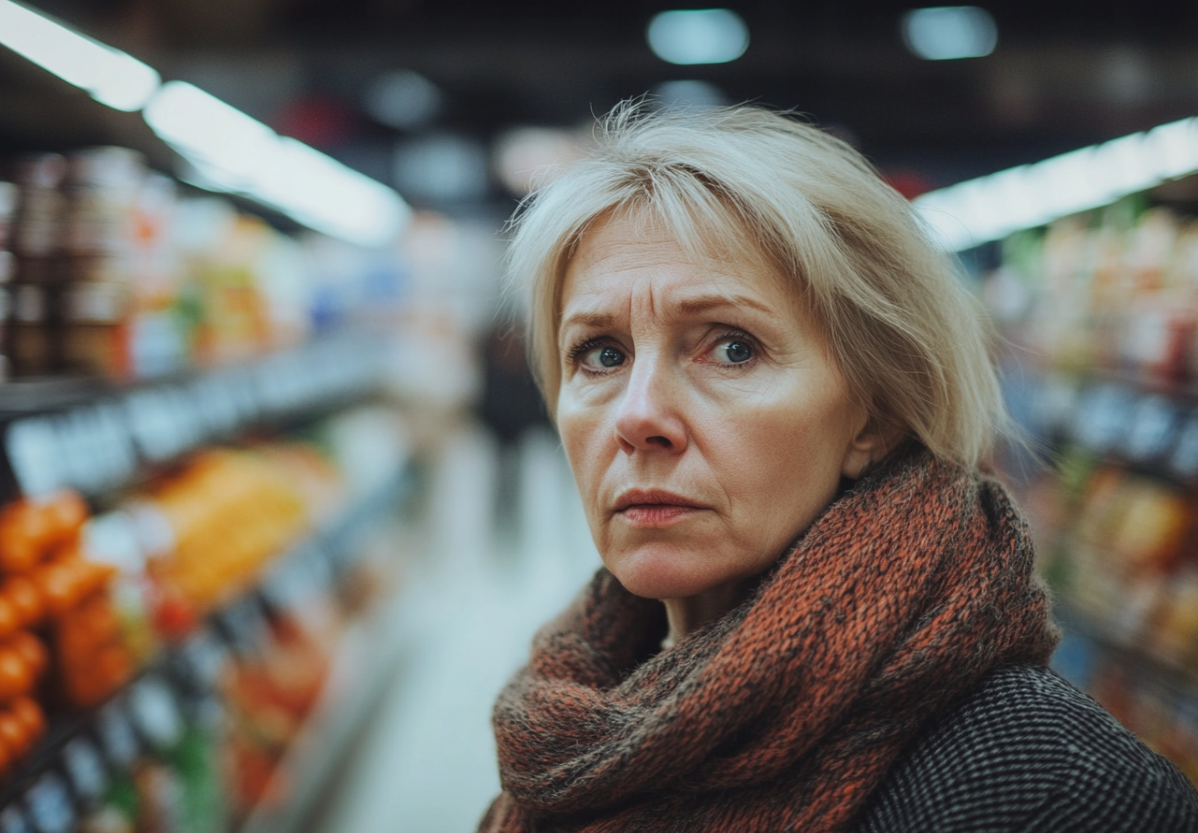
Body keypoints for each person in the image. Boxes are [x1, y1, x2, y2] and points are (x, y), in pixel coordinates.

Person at [476, 103, 1198, 833]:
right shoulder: (578, 716)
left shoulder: (1048, 794)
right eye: (601, 353)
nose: (637, 417)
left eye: (732, 347)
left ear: (876, 412)